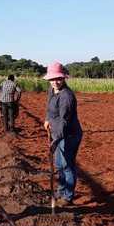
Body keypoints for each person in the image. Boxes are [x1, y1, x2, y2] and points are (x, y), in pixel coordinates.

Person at [43, 62, 83, 206]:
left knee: (67, 165)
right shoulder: (52, 90)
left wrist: (55, 140)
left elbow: (63, 121)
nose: (55, 82)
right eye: (52, 79)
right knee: (59, 165)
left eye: (58, 79)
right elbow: (49, 107)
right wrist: (47, 119)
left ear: (63, 78)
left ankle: (67, 197)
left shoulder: (67, 96)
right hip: (57, 133)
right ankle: (61, 189)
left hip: (69, 135)